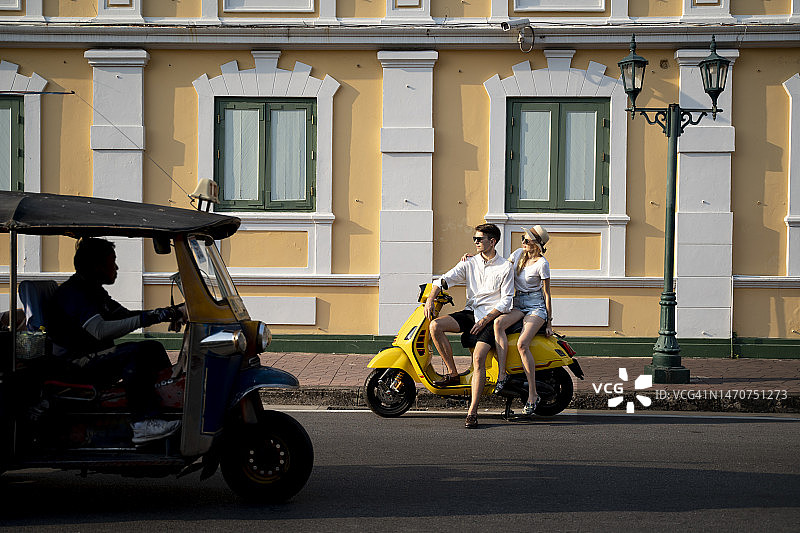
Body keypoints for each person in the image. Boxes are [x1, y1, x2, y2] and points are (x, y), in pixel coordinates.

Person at [45, 238, 185, 445]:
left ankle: (164, 410)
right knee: (134, 353)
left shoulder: (93, 290)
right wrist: (157, 315)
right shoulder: (73, 293)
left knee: (151, 347)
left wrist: (169, 313)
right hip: (75, 365)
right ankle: (144, 422)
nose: (116, 267)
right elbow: (100, 330)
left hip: (91, 359)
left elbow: (125, 316)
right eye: (112, 261)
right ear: (96, 265)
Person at [424, 223, 514, 429]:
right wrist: (431, 298)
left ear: (492, 241)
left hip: (491, 318)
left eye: (479, 239)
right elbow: (444, 279)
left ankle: (472, 411)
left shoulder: (505, 267)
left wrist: (485, 320)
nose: (475, 242)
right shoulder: (469, 263)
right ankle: (454, 374)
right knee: (436, 326)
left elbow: (506, 301)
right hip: (471, 313)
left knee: (478, 358)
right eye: (474, 239)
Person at [492, 225, 552, 415]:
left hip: (536, 306)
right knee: (498, 323)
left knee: (522, 344)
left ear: (535, 244)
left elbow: (547, 294)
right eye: (523, 239)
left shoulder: (542, 263)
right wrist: (475, 259)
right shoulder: (518, 254)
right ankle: (502, 374)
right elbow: (500, 266)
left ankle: (533, 394)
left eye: (526, 240)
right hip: (518, 303)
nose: (523, 242)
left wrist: (549, 322)